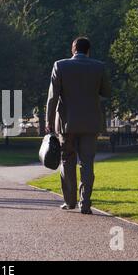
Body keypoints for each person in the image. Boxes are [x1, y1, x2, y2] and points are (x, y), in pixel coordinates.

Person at [45, 37, 111, 214]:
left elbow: (53, 97)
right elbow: (107, 92)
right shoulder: (99, 67)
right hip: (91, 123)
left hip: (67, 123)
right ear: (88, 51)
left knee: (67, 160)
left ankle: (70, 201)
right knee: (87, 163)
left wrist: (48, 121)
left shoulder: (60, 66)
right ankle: (86, 202)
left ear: (72, 50)